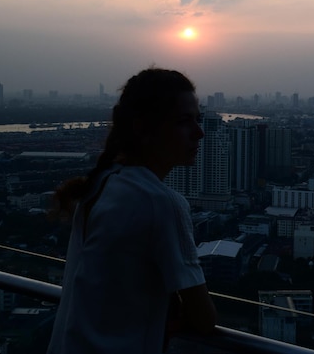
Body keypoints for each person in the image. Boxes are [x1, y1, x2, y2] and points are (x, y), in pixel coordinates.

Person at [47, 68, 216, 354]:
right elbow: (205, 319)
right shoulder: (160, 202)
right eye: (184, 122)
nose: (199, 133)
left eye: (197, 120)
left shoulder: (102, 184)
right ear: (143, 128)